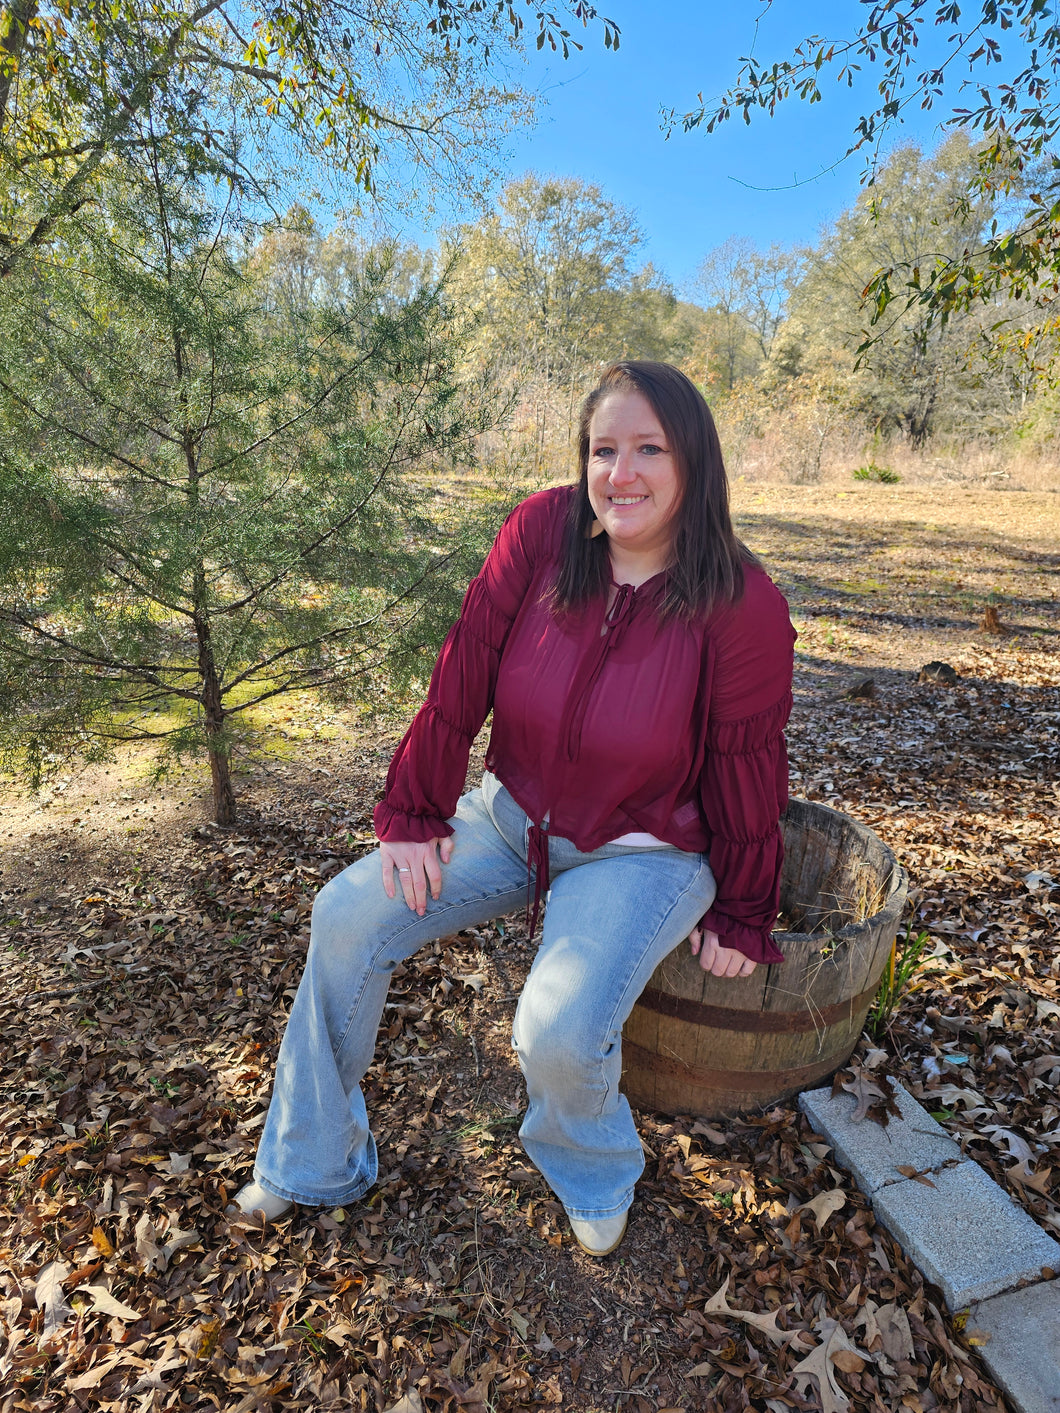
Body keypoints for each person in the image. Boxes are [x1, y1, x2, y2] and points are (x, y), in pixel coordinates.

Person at [231, 360, 796, 1256]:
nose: (622, 473)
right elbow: (464, 670)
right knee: (345, 914)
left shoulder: (740, 601)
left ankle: (593, 1166)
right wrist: (414, 808)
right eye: (603, 448)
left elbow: (747, 764)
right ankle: (313, 1156)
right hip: (510, 816)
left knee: (555, 1027)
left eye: (649, 448)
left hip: (643, 848)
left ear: (694, 460)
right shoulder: (541, 534)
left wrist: (742, 908)